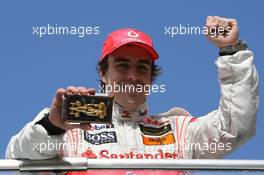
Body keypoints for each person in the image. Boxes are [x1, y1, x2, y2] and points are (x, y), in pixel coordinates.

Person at [6, 16, 259, 174]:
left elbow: (236, 127)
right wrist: (52, 125)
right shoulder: (67, 126)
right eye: (122, 65)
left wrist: (231, 51)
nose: (133, 76)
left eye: (142, 67)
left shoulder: (180, 130)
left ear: (151, 78)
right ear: (103, 73)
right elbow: (16, 158)